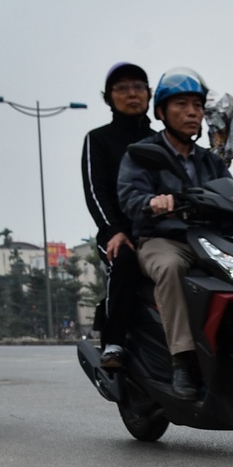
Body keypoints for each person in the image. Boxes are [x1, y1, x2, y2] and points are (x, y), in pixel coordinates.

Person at [117, 68, 233, 399]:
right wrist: (152, 201)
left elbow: (232, 191)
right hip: (162, 240)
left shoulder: (210, 161)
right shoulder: (142, 154)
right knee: (170, 268)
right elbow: (129, 196)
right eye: (181, 104)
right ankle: (182, 361)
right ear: (161, 112)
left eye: (197, 105)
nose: (192, 112)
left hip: (208, 241)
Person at [83, 63, 152, 373]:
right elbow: (95, 191)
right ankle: (114, 341)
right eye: (122, 89)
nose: (132, 94)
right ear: (109, 98)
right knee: (123, 261)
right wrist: (113, 230)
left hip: (159, 229)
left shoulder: (161, 139)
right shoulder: (98, 139)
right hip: (118, 231)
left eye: (138, 87)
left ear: (150, 95)